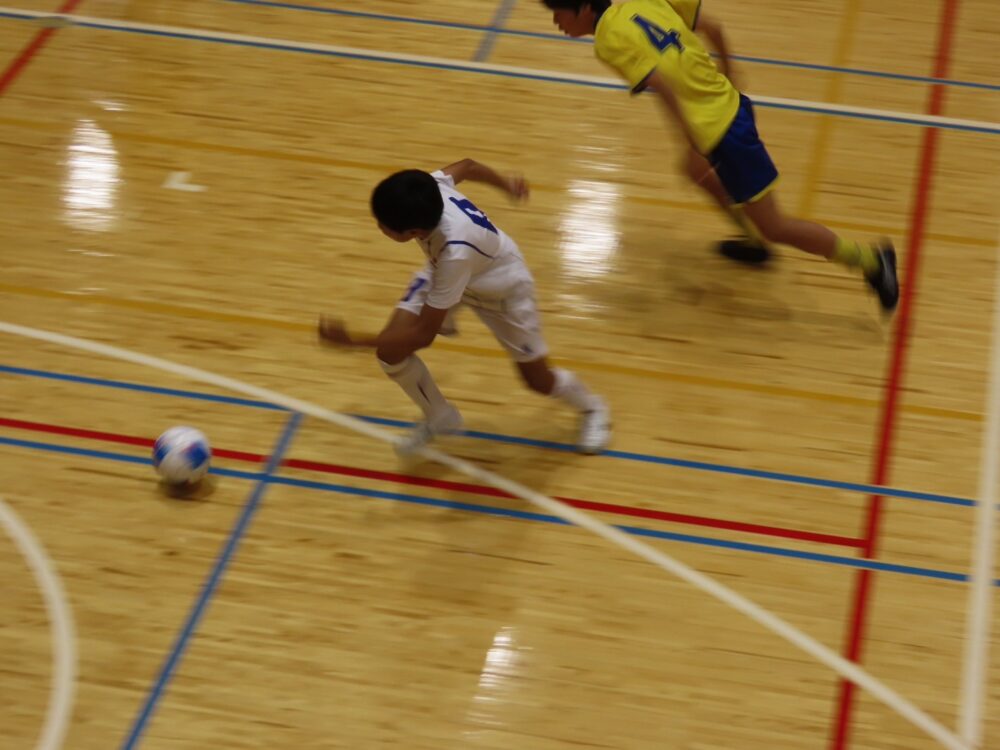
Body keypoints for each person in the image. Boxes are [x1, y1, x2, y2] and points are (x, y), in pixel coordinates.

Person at [540, 0, 899, 312]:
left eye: (559, 14)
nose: (557, 22)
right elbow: (713, 27)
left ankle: (871, 262)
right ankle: (753, 240)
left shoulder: (607, 41)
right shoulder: (644, 4)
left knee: (776, 226)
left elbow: (660, 84)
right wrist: (729, 77)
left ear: (584, 9)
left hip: (723, 134)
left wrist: (692, 140)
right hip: (730, 109)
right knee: (695, 172)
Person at [318, 158, 612, 455]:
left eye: (384, 226)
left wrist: (354, 341)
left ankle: (593, 407)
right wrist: (506, 184)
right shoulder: (430, 188)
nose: (379, 226)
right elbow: (469, 166)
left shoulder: (456, 252)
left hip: (502, 293)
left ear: (414, 232)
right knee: (390, 352)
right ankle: (440, 416)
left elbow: (422, 335)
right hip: (447, 275)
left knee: (538, 380)